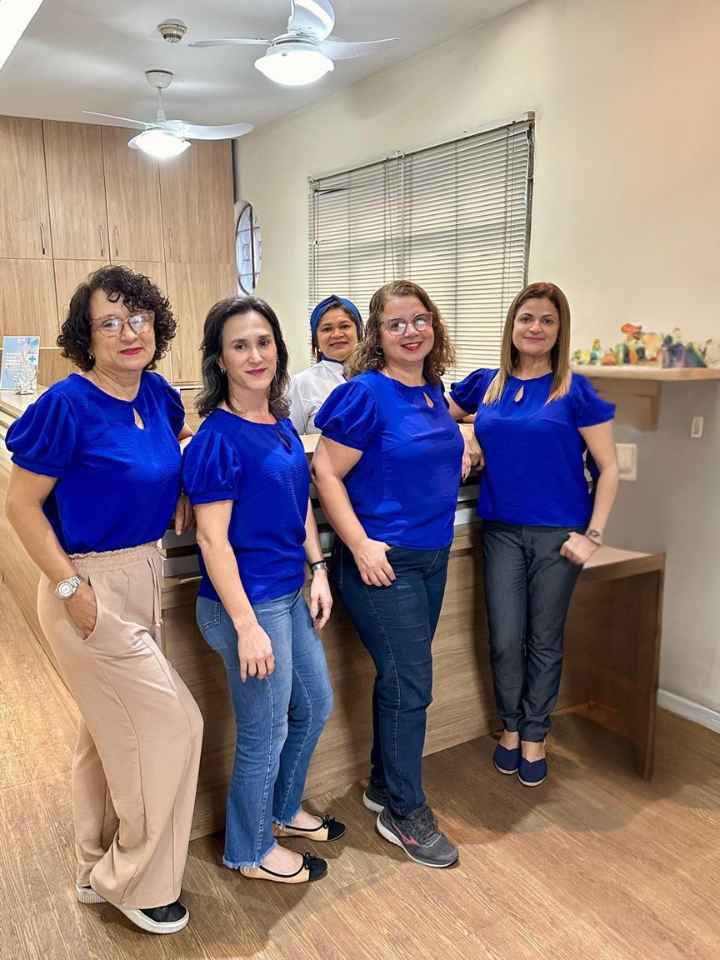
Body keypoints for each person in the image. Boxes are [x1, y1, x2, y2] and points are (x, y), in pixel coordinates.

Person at [4, 266, 203, 935]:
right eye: (109, 322)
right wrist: (71, 590)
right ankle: (136, 881)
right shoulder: (66, 405)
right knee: (176, 725)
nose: (128, 332)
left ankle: (95, 866)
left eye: (138, 318)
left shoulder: (160, 394)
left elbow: (172, 445)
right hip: (85, 585)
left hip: (144, 572)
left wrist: (180, 483)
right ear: (85, 337)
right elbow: (21, 506)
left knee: (105, 733)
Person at [183, 296, 343, 885]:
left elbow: (298, 504)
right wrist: (247, 626)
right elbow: (211, 540)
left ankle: (281, 809)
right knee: (265, 731)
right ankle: (248, 851)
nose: (255, 355)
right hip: (245, 606)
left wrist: (317, 568)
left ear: (278, 348)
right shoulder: (217, 439)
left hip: (288, 594)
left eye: (263, 342)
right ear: (220, 360)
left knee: (315, 704)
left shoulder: (278, 422)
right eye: (239, 345)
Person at [312, 279, 465, 869]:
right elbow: (325, 472)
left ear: (434, 324)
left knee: (403, 681)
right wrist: (360, 545)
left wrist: (465, 444)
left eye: (420, 319)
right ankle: (404, 811)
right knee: (412, 682)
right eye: (396, 323)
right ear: (377, 335)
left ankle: (382, 785)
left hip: (432, 556)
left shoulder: (431, 391)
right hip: (383, 563)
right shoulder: (365, 393)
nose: (411, 331)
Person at [448, 281, 618, 787]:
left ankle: (535, 735)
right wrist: (464, 434)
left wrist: (593, 535)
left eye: (547, 319)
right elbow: (434, 414)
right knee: (504, 639)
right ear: (512, 325)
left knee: (544, 640)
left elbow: (609, 468)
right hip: (501, 530)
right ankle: (510, 726)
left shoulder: (576, 390)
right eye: (527, 318)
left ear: (560, 329)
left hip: (558, 534)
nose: (535, 328)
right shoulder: (487, 384)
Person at [287, 294, 363, 434]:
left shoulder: (380, 375)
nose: (336, 334)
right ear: (316, 340)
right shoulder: (302, 383)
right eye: (327, 329)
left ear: (359, 332)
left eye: (344, 326)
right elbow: (290, 439)